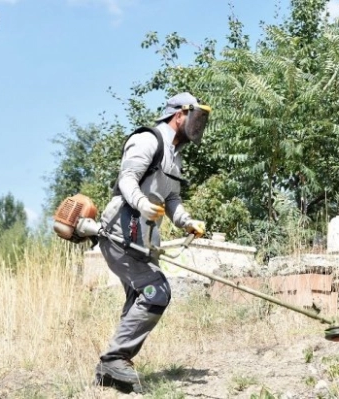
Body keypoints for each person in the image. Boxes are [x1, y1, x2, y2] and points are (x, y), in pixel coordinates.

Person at [94, 92, 210, 390]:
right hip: (119, 233)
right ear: (179, 115)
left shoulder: (175, 154)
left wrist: (186, 221)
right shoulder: (148, 140)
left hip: (142, 238)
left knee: (139, 297)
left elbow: (171, 198)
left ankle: (112, 374)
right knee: (156, 291)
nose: (199, 124)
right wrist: (142, 203)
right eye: (195, 117)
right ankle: (114, 358)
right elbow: (127, 179)